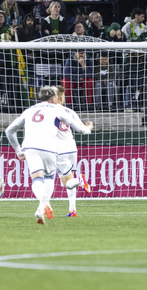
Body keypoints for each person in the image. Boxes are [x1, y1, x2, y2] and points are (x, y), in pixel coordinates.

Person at [5, 86, 91, 224]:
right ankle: (46, 204)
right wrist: (88, 129)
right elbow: (80, 129)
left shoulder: (29, 110)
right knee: (50, 178)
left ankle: (43, 205)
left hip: (30, 147)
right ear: (53, 98)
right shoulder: (58, 109)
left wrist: (18, 150)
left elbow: (9, 130)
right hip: (50, 148)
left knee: (37, 178)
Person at [52, 86, 93, 217]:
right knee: (70, 180)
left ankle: (80, 180)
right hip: (72, 148)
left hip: (59, 150)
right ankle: (72, 210)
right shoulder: (70, 111)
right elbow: (82, 127)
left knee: (67, 183)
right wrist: (90, 126)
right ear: (61, 97)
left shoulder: (49, 111)